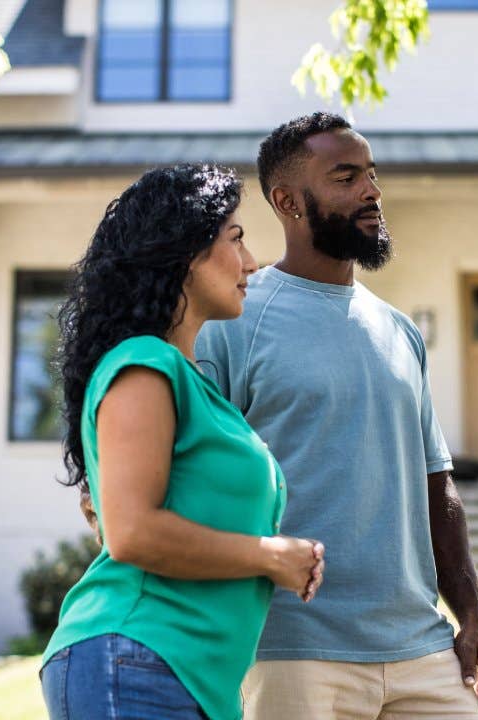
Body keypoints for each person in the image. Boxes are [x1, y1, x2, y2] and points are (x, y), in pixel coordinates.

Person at [196, 113, 478, 720]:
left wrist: (474, 619)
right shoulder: (232, 325)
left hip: (422, 647)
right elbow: (200, 482)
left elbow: (437, 486)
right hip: (293, 650)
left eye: (372, 174)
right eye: (346, 177)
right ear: (288, 201)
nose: (372, 192)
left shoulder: (400, 331)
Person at [41, 164, 326, 720]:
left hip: (182, 679)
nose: (251, 263)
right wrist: (272, 557)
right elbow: (132, 533)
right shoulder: (145, 363)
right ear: (184, 250)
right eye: (236, 239)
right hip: (136, 656)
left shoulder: (197, 387)